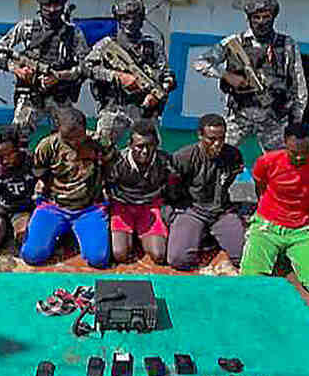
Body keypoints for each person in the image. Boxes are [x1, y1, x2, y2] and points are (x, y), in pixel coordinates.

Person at [194, 0, 307, 153]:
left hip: (273, 117)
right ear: (249, 19)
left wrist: (296, 120)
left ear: (273, 18)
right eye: (256, 17)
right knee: (216, 152)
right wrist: (226, 75)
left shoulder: (287, 44)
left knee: (278, 161)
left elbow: (298, 83)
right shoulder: (235, 42)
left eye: (266, 17)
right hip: (240, 115)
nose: (261, 22)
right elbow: (201, 62)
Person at [239, 123, 309, 299]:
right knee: (249, 285)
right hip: (267, 227)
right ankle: (278, 254)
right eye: (293, 152)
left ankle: (287, 255)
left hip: (301, 231)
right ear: (284, 144)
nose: (299, 157)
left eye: (305, 152)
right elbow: (260, 186)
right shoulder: (267, 162)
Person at [0, 0, 89, 144]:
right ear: (40, 6)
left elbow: (86, 67)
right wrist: (17, 69)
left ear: (63, 7)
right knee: (18, 136)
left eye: (56, 5)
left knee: (69, 136)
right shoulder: (27, 27)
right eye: (47, 5)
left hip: (59, 95)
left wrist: (60, 76)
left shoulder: (73, 33)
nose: (52, 10)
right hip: (30, 94)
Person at [22, 108, 113, 268]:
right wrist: (44, 185)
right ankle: (57, 231)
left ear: (85, 128)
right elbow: (39, 171)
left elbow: (112, 167)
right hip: (54, 206)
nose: (74, 142)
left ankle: (76, 232)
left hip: (89, 208)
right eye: (68, 139)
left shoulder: (99, 143)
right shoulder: (47, 146)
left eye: (79, 137)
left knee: (98, 259)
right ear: (59, 131)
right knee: (32, 255)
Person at [85, 0, 176, 146]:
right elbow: (86, 68)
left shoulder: (152, 46)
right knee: (102, 148)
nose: (130, 22)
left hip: (144, 111)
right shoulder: (106, 45)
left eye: (135, 18)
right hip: (115, 107)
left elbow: (167, 76)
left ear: (142, 20)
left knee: (150, 150)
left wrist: (157, 95)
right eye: (125, 18)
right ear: (118, 19)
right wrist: (117, 76)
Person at [167, 114, 247, 270]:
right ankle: (200, 234)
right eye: (211, 139)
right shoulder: (184, 157)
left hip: (221, 212)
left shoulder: (233, 155)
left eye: (221, 139)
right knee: (178, 259)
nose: (217, 144)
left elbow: (229, 181)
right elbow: (171, 190)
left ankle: (208, 235)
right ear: (200, 135)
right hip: (192, 211)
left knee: (244, 257)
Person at [105, 121, 176, 264]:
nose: (145, 151)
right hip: (123, 207)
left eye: (150, 146)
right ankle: (131, 235)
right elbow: (106, 187)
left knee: (159, 255)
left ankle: (141, 235)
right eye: (139, 146)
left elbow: (172, 188)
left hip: (150, 206)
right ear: (130, 145)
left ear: (156, 144)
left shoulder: (164, 161)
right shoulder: (117, 162)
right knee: (120, 254)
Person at [0, 125, 37, 250]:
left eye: (8, 156)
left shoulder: (31, 162)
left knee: (24, 238)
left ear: (18, 148)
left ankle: (12, 231)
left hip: (21, 209)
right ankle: (4, 230)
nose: (3, 161)